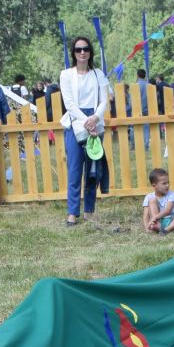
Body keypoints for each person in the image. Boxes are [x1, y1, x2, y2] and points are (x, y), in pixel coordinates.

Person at [58, 35, 113, 225]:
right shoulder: (66, 75)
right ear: (73, 53)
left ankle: (89, 211)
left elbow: (104, 100)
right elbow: (70, 104)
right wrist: (86, 122)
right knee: (74, 170)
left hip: (95, 121)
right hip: (76, 123)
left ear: (90, 51)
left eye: (86, 49)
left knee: (92, 170)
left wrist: (95, 118)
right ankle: (72, 213)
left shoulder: (98, 74)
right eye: (78, 49)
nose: (82, 52)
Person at [141, 167, 174, 234]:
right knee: (152, 200)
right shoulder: (149, 196)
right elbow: (146, 215)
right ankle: (157, 226)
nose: (167, 185)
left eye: (168, 182)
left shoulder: (171, 194)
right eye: (164, 183)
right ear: (154, 185)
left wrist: (155, 217)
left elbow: (168, 211)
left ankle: (167, 230)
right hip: (157, 222)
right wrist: (147, 228)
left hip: (172, 222)